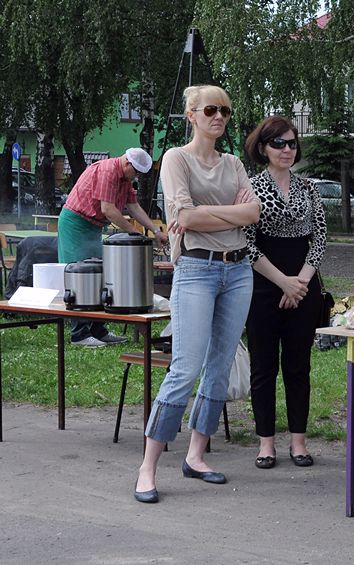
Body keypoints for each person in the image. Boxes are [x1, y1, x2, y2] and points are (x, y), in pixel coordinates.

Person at [133, 85, 261, 504]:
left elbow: (253, 213)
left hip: (238, 271)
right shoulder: (176, 158)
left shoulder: (234, 163)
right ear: (191, 115)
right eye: (210, 110)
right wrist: (227, 214)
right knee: (185, 369)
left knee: (219, 368)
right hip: (196, 270)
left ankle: (196, 456)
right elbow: (182, 217)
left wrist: (205, 214)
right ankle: (148, 467)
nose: (218, 116)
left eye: (224, 110)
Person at [243, 116, 327, 469]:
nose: (287, 149)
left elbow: (320, 238)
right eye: (279, 143)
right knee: (263, 366)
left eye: (292, 143)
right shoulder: (249, 188)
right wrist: (283, 282)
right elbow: (246, 244)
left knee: (298, 366)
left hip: (304, 287)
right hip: (264, 285)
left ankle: (298, 441)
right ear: (263, 148)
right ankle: (266, 443)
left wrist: (300, 284)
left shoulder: (309, 188)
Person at [58, 148, 169, 347]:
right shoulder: (108, 171)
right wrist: (133, 233)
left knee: (101, 275)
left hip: (93, 226)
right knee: (82, 275)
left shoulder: (125, 179)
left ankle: (98, 331)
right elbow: (108, 209)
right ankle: (79, 335)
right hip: (75, 223)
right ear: (127, 163)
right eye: (136, 172)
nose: (136, 177)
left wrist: (155, 230)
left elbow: (134, 207)